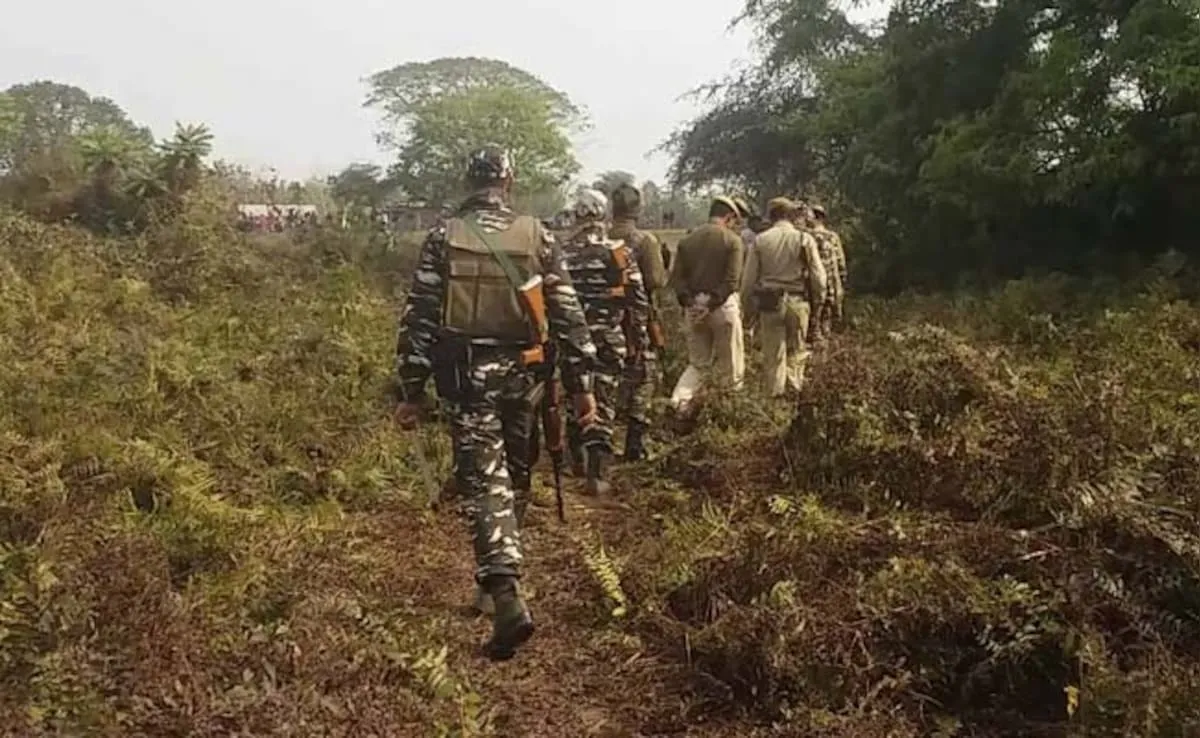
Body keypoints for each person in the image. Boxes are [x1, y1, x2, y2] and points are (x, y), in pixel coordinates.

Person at [393, 146, 598, 661]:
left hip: (467, 379)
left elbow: (420, 317)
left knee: (485, 482)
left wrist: (412, 389)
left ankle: (504, 594)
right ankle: (495, 578)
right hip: (525, 377)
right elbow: (568, 313)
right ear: (509, 182)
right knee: (517, 471)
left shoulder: (443, 236)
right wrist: (582, 386)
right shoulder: (537, 234)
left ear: (470, 180)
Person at [560, 188, 650, 492]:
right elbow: (637, 302)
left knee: (574, 395)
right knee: (604, 400)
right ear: (603, 214)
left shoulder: (560, 253)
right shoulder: (618, 252)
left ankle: (576, 461)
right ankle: (597, 474)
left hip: (570, 342)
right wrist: (638, 342)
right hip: (608, 340)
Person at [667, 196, 748, 415]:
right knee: (731, 365)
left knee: (697, 364)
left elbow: (677, 280)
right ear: (729, 217)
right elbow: (732, 281)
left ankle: (679, 404)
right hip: (722, 308)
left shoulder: (688, 240)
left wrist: (691, 303)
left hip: (693, 308)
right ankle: (727, 411)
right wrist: (711, 304)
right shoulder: (732, 241)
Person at [741, 198, 826, 397]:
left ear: (770, 216)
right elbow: (819, 278)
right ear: (790, 215)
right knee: (796, 354)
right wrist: (818, 303)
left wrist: (747, 311)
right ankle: (794, 395)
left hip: (770, 304)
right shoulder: (804, 239)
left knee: (773, 357)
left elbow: (748, 282)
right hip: (798, 302)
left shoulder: (760, 241)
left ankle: (775, 400)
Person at [608, 182, 665, 461]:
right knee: (643, 378)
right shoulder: (645, 241)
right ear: (638, 209)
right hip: (638, 319)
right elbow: (656, 281)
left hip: (603, 320)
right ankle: (636, 444)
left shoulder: (600, 238)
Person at [809, 204, 847, 335]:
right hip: (829, 283)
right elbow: (840, 262)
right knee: (826, 319)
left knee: (811, 322)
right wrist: (841, 281)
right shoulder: (832, 237)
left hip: (810, 284)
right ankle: (824, 341)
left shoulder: (806, 236)